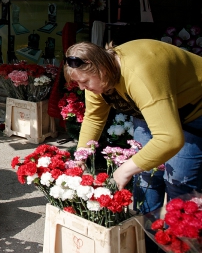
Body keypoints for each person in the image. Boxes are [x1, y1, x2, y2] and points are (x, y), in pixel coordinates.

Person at [69, 40, 202, 210]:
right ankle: (145, 234)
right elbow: (94, 117)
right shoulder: (98, 78)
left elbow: (170, 139)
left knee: (179, 181)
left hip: (194, 107)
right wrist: (81, 155)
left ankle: (178, 234)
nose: (82, 88)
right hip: (152, 104)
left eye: (85, 81)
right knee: (146, 174)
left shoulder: (139, 75)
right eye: (78, 83)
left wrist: (123, 170)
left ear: (101, 70)